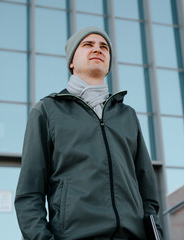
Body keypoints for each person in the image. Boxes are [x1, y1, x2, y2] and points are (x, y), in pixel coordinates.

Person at [15, 26, 163, 240]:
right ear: (72, 61)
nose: (98, 49)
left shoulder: (127, 115)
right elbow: (29, 193)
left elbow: (147, 192)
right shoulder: (48, 111)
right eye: (88, 45)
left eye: (104, 47)